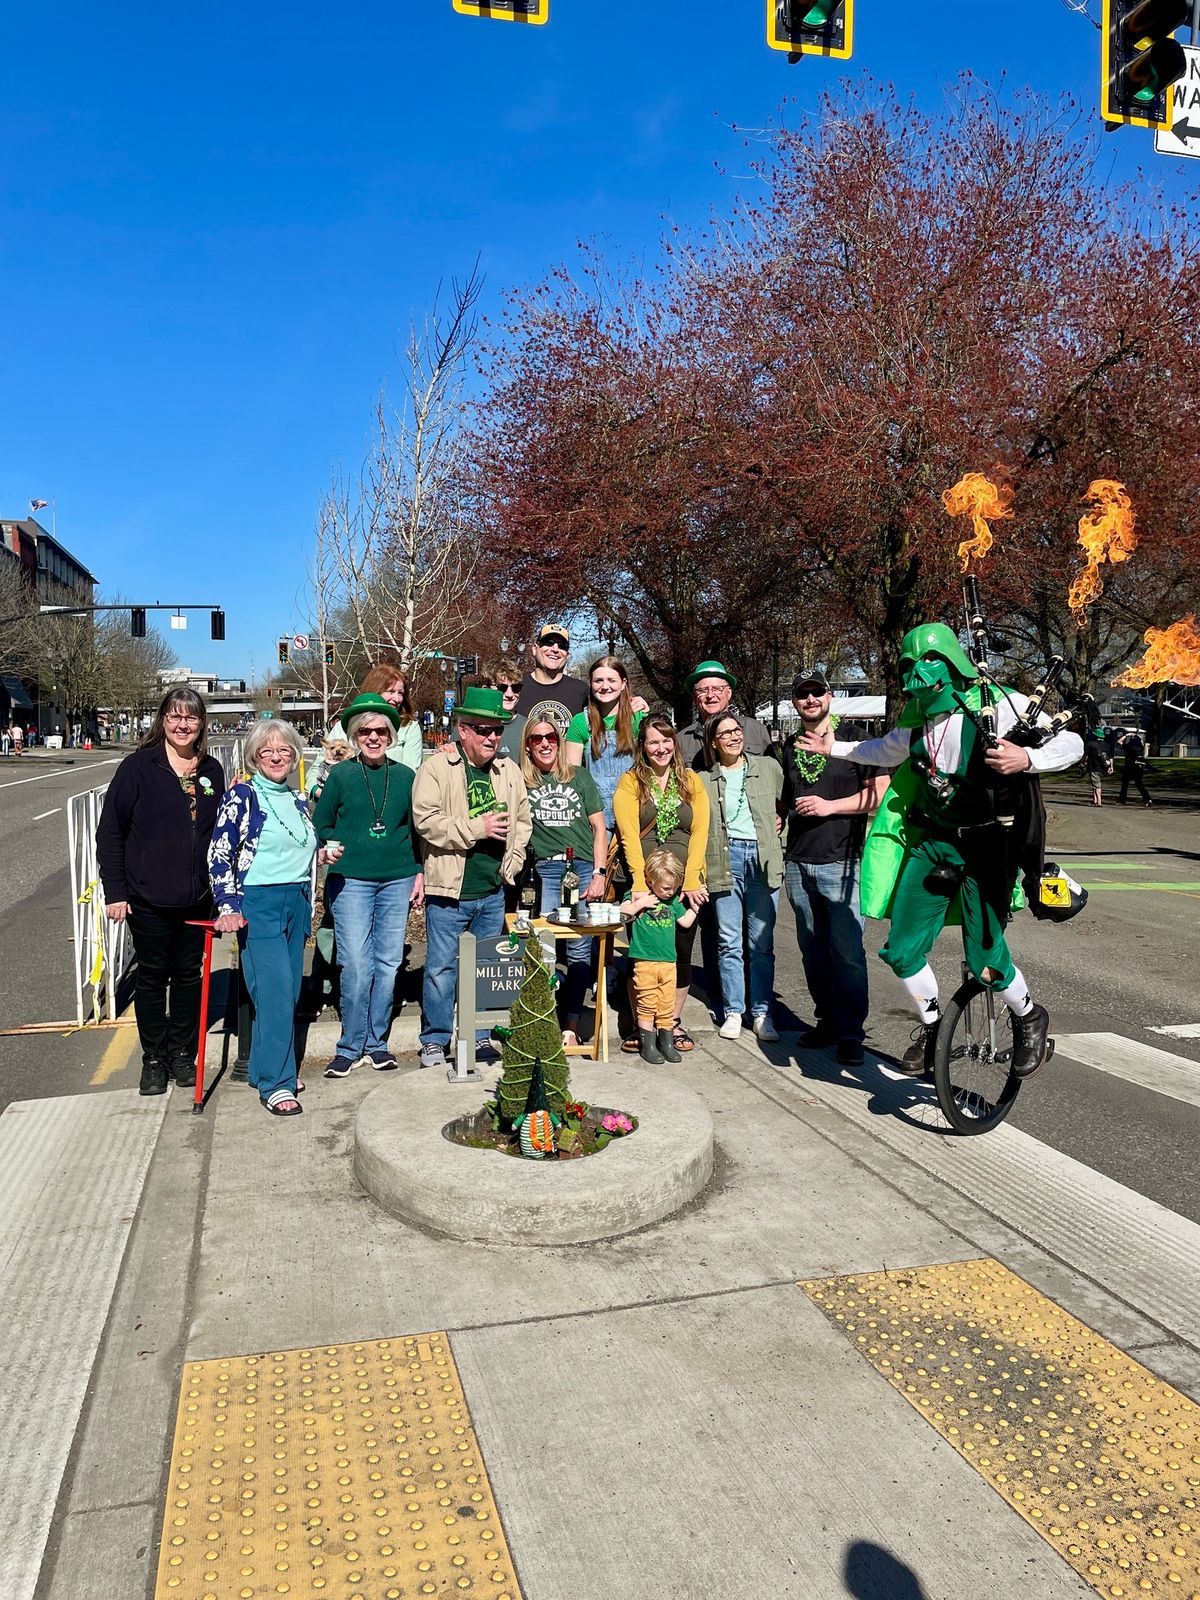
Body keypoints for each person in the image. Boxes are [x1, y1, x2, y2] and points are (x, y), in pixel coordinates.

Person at [800, 622, 1083, 1078]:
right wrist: (837, 747)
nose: (917, 673)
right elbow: (883, 750)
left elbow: (1072, 742)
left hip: (990, 848)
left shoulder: (1001, 705)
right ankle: (934, 1029)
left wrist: (1025, 758)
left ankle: (1029, 1015)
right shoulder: (916, 723)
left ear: (953, 663)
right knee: (901, 949)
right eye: (908, 665)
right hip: (933, 844)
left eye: (928, 661)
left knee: (985, 960)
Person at [97, 687, 226, 1095]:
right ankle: (153, 1059)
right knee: (152, 979)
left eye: (190, 718)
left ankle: (182, 1054)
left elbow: (222, 834)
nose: (182, 725)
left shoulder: (211, 770)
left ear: (201, 724)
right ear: (162, 721)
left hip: (196, 897)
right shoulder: (138, 767)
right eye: (174, 717)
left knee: (188, 977)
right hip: (148, 897)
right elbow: (110, 833)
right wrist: (116, 891)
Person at [209, 719, 326, 1116]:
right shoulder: (242, 795)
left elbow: (296, 846)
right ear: (254, 758)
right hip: (258, 904)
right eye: (267, 751)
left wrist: (323, 854)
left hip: (296, 900)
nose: (277, 757)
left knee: (288, 992)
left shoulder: (296, 799)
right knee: (275, 992)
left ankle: (263, 1069)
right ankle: (278, 1083)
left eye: (285, 750)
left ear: (295, 756)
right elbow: (219, 853)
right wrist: (228, 906)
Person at [411, 686, 532, 1071]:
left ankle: (479, 1036)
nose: (492, 737)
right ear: (462, 730)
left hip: (491, 889)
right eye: (482, 729)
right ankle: (435, 1040)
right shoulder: (437, 767)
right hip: (450, 889)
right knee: (442, 968)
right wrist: (475, 828)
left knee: (485, 969)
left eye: (497, 730)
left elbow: (523, 823)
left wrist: (509, 865)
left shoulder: (508, 770)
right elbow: (426, 822)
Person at [311, 693, 425, 1077]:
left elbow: (417, 832)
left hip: (397, 878)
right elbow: (321, 823)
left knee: (389, 962)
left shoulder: (406, 777)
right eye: (365, 731)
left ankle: (377, 1043)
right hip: (351, 880)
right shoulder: (341, 775)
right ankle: (349, 1044)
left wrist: (420, 873)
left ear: (391, 736)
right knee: (356, 963)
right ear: (356, 736)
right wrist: (328, 846)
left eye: (381, 731)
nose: (373, 737)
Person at [779, 668, 886, 1067]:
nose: (810, 699)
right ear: (795, 702)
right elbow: (787, 796)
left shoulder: (858, 739)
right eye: (802, 694)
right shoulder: (790, 746)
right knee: (812, 951)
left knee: (847, 952)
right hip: (799, 861)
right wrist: (777, 814)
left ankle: (851, 1032)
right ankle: (826, 1020)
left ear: (829, 696)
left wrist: (830, 807)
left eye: (816, 692)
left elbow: (878, 795)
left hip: (843, 861)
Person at [612, 715, 710, 1055]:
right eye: (653, 741)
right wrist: (640, 884)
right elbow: (628, 836)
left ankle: (672, 1022)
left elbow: (699, 832)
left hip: (683, 883)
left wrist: (694, 878)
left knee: (679, 954)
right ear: (643, 746)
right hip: (645, 882)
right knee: (642, 955)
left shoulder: (691, 781)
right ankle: (643, 1026)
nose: (661, 747)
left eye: (666, 740)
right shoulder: (630, 783)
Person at [521, 714, 607, 1046]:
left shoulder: (580, 778)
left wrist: (599, 873)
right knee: (542, 948)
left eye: (551, 738)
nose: (545, 743)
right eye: (536, 738)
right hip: (541, 871)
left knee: (579, 948)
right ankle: (543, 1021)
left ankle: (570, 1023)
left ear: (559, 742)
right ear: (527, 746)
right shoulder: (521, 781)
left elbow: (600, 828)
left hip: (581, 868)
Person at [699, 710, 785, 1042]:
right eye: (726, 734)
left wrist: (782, 835)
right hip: (725, 858)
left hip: (762, 858)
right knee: (728, 941)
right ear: (713, 743)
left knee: (761, 943)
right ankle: (734, 1011)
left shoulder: (766, 767)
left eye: (737, 730)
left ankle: (762, 1012)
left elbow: (786, 807)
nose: (735, 737)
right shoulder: (704, 779)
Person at [621, 848, 700, 1063]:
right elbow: (622, 912)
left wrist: (695, 907)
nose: (670, 892)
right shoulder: (638, 896)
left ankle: (666, 1043)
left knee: (666, 1002)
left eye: (674, 888)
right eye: (666, 888)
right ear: (649, 880)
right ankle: (649, 1044)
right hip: (644, 961)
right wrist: (641, 904)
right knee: (647, 1001)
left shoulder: (672, 901)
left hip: (668, 963)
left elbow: (685, 922)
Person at [563, 655, 646, 831]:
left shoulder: (638, 718)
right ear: (591, 684)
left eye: (611, 680)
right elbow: (572, 775)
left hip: (635, 808)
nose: (605, 686)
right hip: (596, 813)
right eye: (598, 681)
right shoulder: (580, 722)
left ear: (624, 683)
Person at [311, 661, 423, 792]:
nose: (397, 699)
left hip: (389, 795)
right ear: (375, 691)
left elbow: (411, 773)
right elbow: (317, 769)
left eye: (400, 693)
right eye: (391, 691)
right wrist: (318, 792)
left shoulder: (409, 727)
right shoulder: (344, 725)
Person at [678, 661, 774, 771]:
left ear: (729, 693)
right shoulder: (681, 741)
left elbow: (772, 774)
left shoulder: (756, 730)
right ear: (695, 698)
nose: (710, 695)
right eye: (703, 690)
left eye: (717, 688)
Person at [512, 624, 590, 728]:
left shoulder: (582, 691)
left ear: (567, 654)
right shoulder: (514, 689)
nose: (555, 649)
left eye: (562, 645)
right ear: (535, 649)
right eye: (548, 643)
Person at [1118, 730, 1152, 806]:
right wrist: (1138, 736)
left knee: (1125, 784)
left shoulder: (1129, 747)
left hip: (1129, 767)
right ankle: (1147, 798)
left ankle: (1122, 800)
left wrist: (1127, 735)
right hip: (1139, 767)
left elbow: (1119, 742)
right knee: (1139, 784)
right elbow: (1142, 742)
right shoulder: (1140, 748)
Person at [1084, 726, 1112, 807]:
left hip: (1094, 766)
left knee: (1097, 785)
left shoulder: (1090, 744)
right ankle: (1095, 800)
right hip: (1103, 767)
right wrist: (1110, 766)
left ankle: (1099, 801)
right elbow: (1109, 756)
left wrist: (1083, 763)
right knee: (1095, 784)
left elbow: (1085, 756)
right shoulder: (1106, 745)